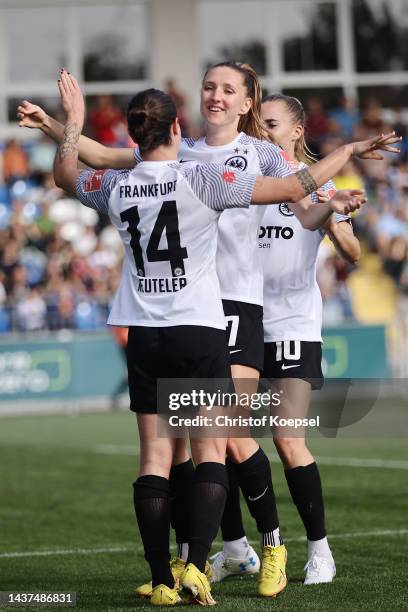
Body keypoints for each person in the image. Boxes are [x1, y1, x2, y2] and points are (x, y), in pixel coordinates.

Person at [19, 66, 398, 600]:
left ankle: (271, 547)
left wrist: (333, 207)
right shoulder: (188, 155)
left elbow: (299, 186)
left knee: (228, 438)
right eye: (208, 87)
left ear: (246, 102)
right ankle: (203, 557)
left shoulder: (260, 153)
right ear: (184, 115)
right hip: (191, 312)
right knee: (181, 453)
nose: (215, 95)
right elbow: (105, 156)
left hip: (237, 308)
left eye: (227, 89)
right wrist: (55, 126)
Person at [211, 93, 361, 587]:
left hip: (293, 324)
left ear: (297, 131)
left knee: (286, 438)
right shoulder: (248, 181)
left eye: (272, 123)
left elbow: (354, 250)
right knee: (226, 440)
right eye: (259, 123)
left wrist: (334, 216)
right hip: (242, 323)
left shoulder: (318, 185)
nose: (263, 131)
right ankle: (237, 550)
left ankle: (320, 550)